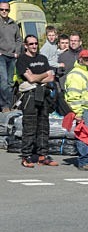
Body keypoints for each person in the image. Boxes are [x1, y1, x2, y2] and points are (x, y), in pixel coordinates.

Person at [16, 34, 57, 166]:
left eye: (35, 43)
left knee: (44, 126)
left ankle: (42, 155)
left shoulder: (43, 58)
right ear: (26, 45)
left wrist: (37, 76)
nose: (34, 46)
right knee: (30, 126)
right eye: (31, 44)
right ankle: (26, 156)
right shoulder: (22, 60)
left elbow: (51, 78)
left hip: (43, 94)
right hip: (29, 95)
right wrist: (45, 74)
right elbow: (31, 79)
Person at [64, 49, 88, 171]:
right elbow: (73, 96)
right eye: (85, 58)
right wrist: (78, 113)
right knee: (84, 137)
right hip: (84, 110)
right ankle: (84, 161)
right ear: (80, 59)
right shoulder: (75, 74)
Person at [0, 1, 21, 112]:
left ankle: (7, 104)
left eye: (6, 10)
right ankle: (4, 106)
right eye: (2, 9)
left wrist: (17, 52)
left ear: (9, 10)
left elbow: (18, 39)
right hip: (1, 56)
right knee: (3, 81)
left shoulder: (14, 24)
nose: (4, 11)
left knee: (10, 83)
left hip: (12, 56)